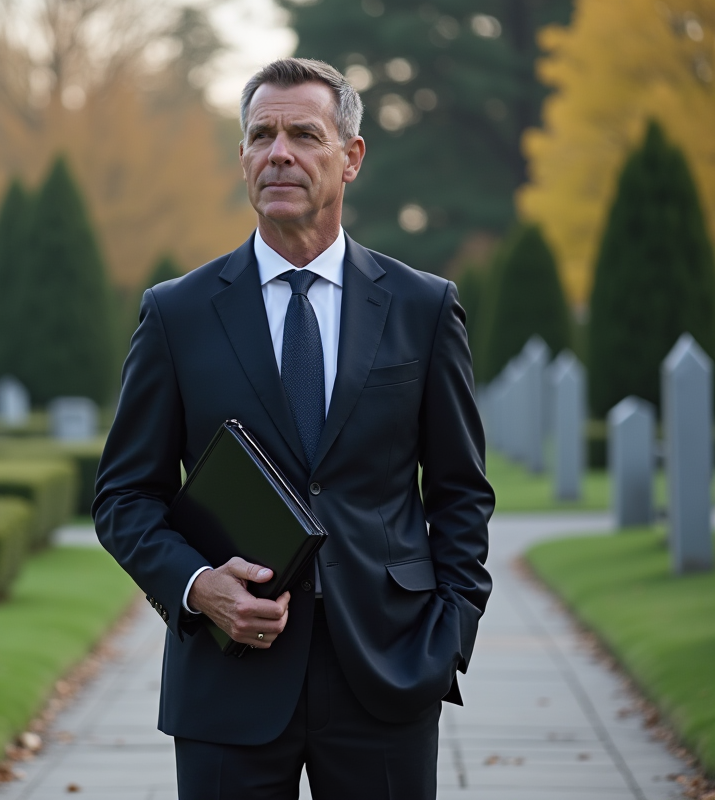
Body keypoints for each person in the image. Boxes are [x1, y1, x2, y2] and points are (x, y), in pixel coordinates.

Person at [92, 57, 494, 800]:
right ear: (243, 157)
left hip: (387, 670)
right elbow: (123, 497)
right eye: (260, 135)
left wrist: (449, 637)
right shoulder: (175, 314)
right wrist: (196, 586)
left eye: (304, 134)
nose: (279, 152)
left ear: (351, 157)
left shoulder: (424, 308)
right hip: (226, 681)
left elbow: (462, 492)